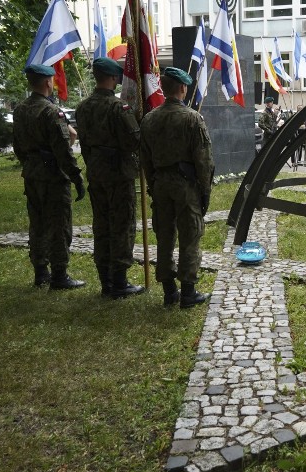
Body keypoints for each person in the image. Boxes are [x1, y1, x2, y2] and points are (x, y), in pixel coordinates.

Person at [140, 67, 213, 308]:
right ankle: (188, 293)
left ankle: (170, 292)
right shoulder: (192, 118)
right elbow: (203, 160)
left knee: (164, 237)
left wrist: (153, 183)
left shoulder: (149, 119)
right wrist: (205, 191)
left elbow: (146, 159)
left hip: (161, 184)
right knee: (190, 236)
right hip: (185, 185)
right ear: (182, 88)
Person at [12, 64, 86, 290]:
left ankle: (40, 271)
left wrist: (30, 163)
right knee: (59, 224)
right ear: (47, 82)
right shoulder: (51, 112)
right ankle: (60, 275)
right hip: (53, 175)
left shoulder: (20, 109)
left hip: (32, 174)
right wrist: (76, 177)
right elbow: (63, 150)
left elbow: (17, 147)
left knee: (38, 223)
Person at [75, 57, 144, 299]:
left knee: (101, 226)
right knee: (122, 225)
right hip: (119, 174)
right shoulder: (118, 108)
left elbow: (82, 142)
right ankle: (120, 282)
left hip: (96, 173)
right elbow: (133, 141)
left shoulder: (82, 107)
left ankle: (105, 281)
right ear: (114, 78)